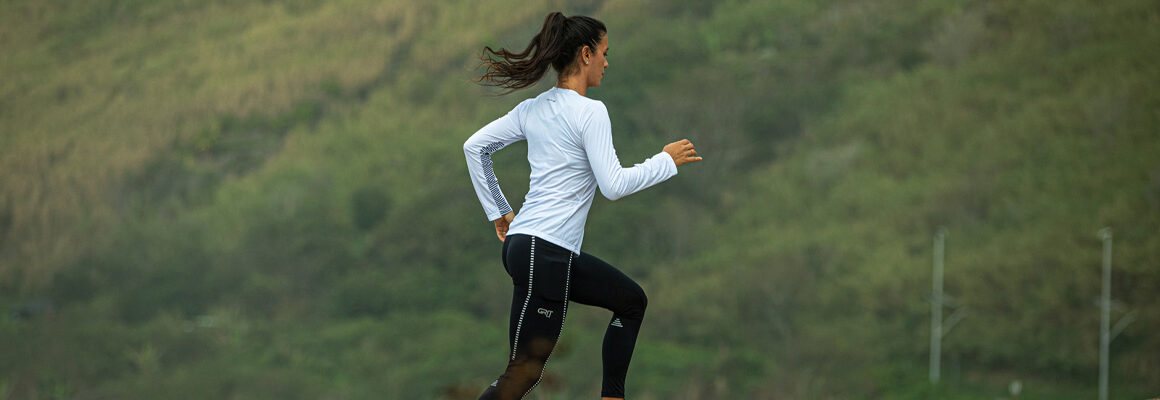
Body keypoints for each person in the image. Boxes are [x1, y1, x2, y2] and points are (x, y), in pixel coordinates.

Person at [463, 12, 702, 400]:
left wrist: (499, 211)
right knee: (521, 375)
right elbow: (614, 185)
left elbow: (475, 148)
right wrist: (665, 162)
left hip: (528, 247)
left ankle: (612, 396)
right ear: (586, 54)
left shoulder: (533, 108)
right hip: (547, 251)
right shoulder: (591, 112)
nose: (608, 62)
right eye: (605, 53)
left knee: (630, 301)